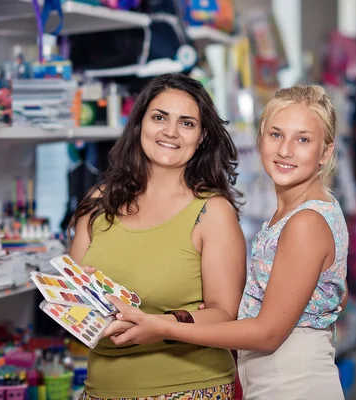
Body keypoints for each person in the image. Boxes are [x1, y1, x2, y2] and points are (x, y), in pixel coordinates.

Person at [105, 84, 348, 400]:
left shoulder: (304, 222)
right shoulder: (308, 210)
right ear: (260, 140)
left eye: (303, 139)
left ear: (325, 152)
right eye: (276, 135)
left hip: (292, 384)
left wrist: (163, 327)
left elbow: (268, 334)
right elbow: (335, 295)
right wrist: (249, 305)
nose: (285, 150)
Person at [68, 73, 247, 400]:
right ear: (139, 124)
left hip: (188, 388)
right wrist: (77, 298)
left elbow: (225, 314)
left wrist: (161, 324)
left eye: (187, 123)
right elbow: (71, 307)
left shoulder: (212, 212)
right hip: (100, 388)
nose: (170, 131)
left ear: (202, 137)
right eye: (159, 117)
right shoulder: (98, 203)